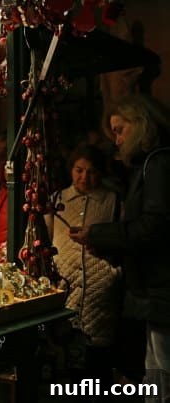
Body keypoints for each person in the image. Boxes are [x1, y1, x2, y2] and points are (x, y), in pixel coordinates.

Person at [69, 94, 170, 400]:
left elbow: (154, 228)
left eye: (120, 129)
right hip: (152, 288)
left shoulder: (159, 164)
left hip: (161, 288)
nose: (116, 139)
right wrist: (109, 248)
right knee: (155, 367)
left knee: (163, 368)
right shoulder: (147, 165)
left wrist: (99, 235)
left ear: (141, 125)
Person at [46, 145, 122, 388]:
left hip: (101, 295)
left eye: (91, 172)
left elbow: (124, 241)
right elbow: (46, 241)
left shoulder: (113, 201)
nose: (84, 177)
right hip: (65, 290)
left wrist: (112, 274)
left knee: (97, 367)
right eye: (79, 170)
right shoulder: (57, 201)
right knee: (66, 361)